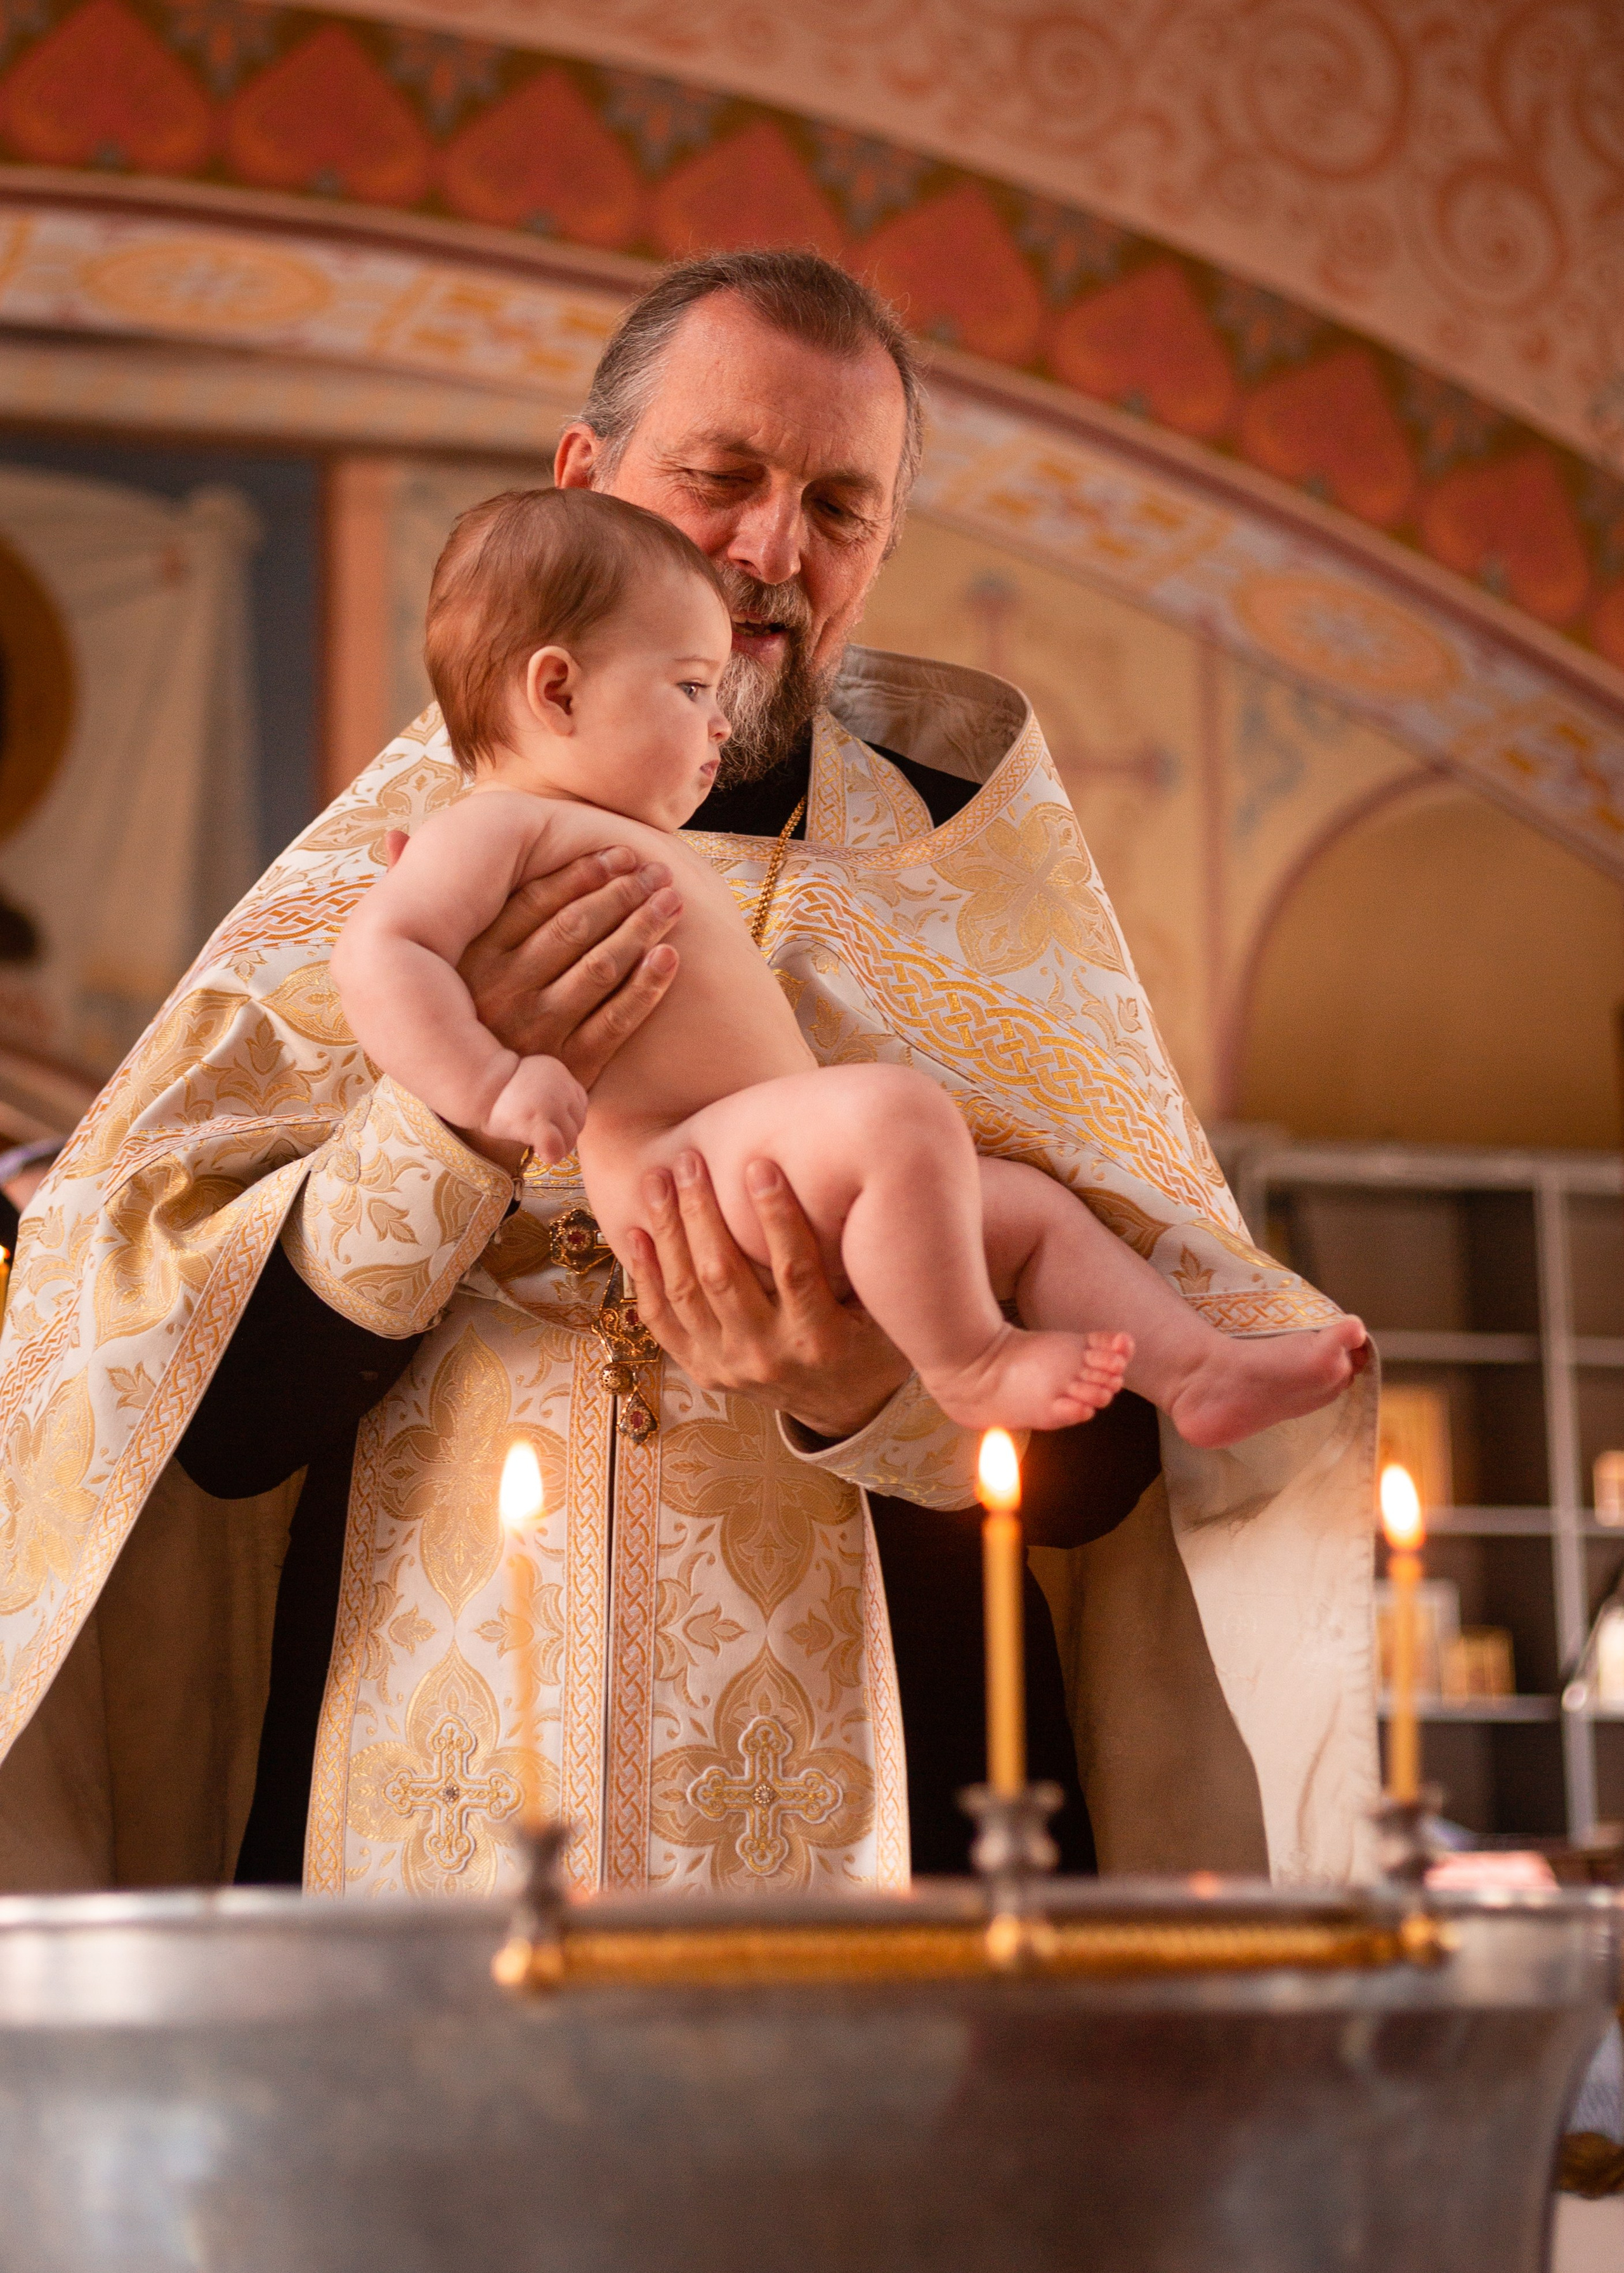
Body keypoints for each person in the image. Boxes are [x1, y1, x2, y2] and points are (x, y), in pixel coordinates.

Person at [0, 251, 1379, 1901]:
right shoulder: (407, 872)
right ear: (585, 477)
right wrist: (448, 1119)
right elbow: (176, 1420)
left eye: (841, 508)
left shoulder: (974, 890)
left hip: (892, 1795)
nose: (770, 550)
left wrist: (860, 1382)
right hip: (418, 1787)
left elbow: (1107, 1498)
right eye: (721, 476)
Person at [338, 485, 1365, 1446]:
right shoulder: (496, 825)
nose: (722, 717)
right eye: (691, 687)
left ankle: (1194, 1372)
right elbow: (379, 952)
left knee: (1023, 1210)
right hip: (679, 1169)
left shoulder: (602, 826)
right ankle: (971, 1360)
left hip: (769, 1158)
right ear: (556, 689)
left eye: (838, 504)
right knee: (903, 1118)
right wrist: (495, 1081)